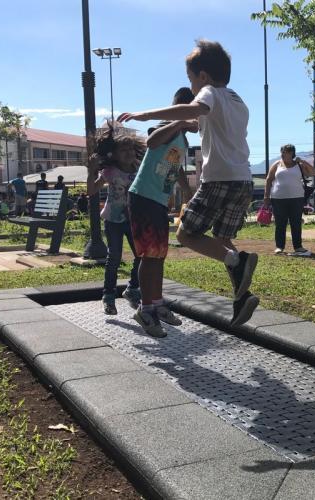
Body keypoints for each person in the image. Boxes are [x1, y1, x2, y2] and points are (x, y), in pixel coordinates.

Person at [118, 39, 259, 327]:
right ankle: (242, 295)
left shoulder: (209, 93)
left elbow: (195, 109)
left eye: (191, 80)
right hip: (243, 182)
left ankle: (238, 262)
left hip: (218, 180)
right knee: (222, 241)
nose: (193, 86)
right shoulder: (237, 100)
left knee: (185, 234)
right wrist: (195, 125)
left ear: (203, 77)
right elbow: (209, 123)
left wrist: (145, 115)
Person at [126, 87, 197, 337]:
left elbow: (174, 165)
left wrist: (186, 191)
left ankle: (156, 302)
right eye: (196, 112)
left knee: (159, 254)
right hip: (143, 196)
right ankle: (145, 309)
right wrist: (180, 121)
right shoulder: (167, 128)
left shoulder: (182, 138)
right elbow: (152, 141)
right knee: (148, 254)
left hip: (157, 200)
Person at [92, 130, 143, 315]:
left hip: (134, 219)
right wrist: (92, 170)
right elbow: (91, 190)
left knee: (141, 255)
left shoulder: (139, 167)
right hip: (114, 220)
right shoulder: (110, 172)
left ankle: (132, 288)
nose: (128, 152)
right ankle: (108, 296)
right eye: (123, 149)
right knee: (114, 257)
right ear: (114, 154)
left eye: (130, 148)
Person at [263, 144, 313, 256]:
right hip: (278, 198)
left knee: (296, 223)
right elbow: (268, 179)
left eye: (286, 151)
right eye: (282, 151)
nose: (283, 153)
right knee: (280, 223)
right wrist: (266, 196)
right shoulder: (277, 164)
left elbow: (312, 172)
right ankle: (279, 247)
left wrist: (303, 161)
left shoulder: (299, 165)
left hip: (297, 198)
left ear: (292, 153)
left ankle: (298, 247)